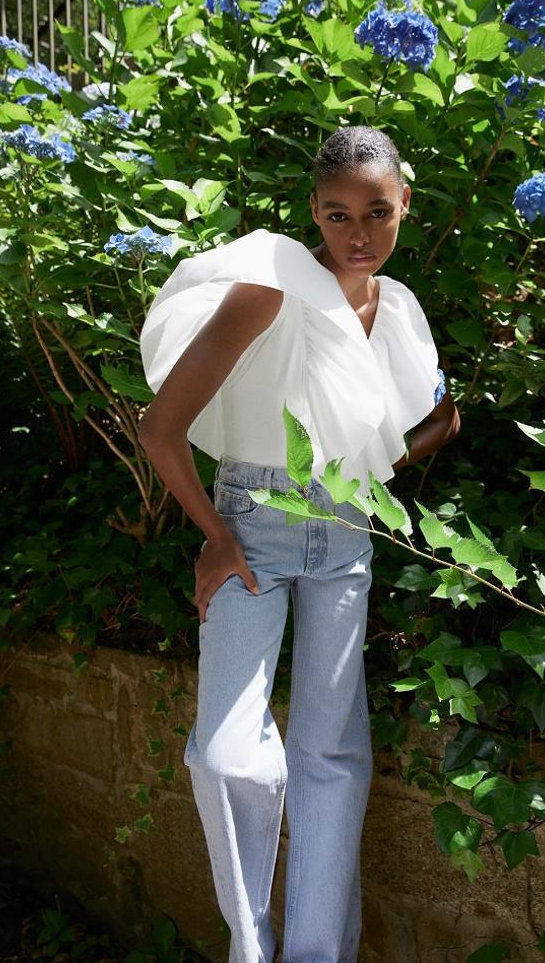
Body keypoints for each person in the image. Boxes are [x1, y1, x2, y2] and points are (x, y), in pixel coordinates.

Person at [138, 125, 460, 963]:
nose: (357, 234)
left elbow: (435, 418)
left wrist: (375, 466)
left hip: (347, 530)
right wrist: (213, 538)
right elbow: (160, 430)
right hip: (252, 524)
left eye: (377, 213)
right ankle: (254, 947)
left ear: (404, 205)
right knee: (226, 756)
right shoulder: (271, 288)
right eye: (337, 213)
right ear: (312, 212)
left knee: (334, 752)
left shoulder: (398, 311)